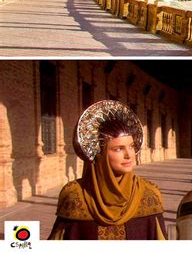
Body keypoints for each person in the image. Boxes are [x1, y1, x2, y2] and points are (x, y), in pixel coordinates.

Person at [48, 100, 167, 240]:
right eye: (118, 149)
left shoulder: (149, 194)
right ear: (100, 154)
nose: (129, 155)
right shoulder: (75, 196)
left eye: (131, 146)